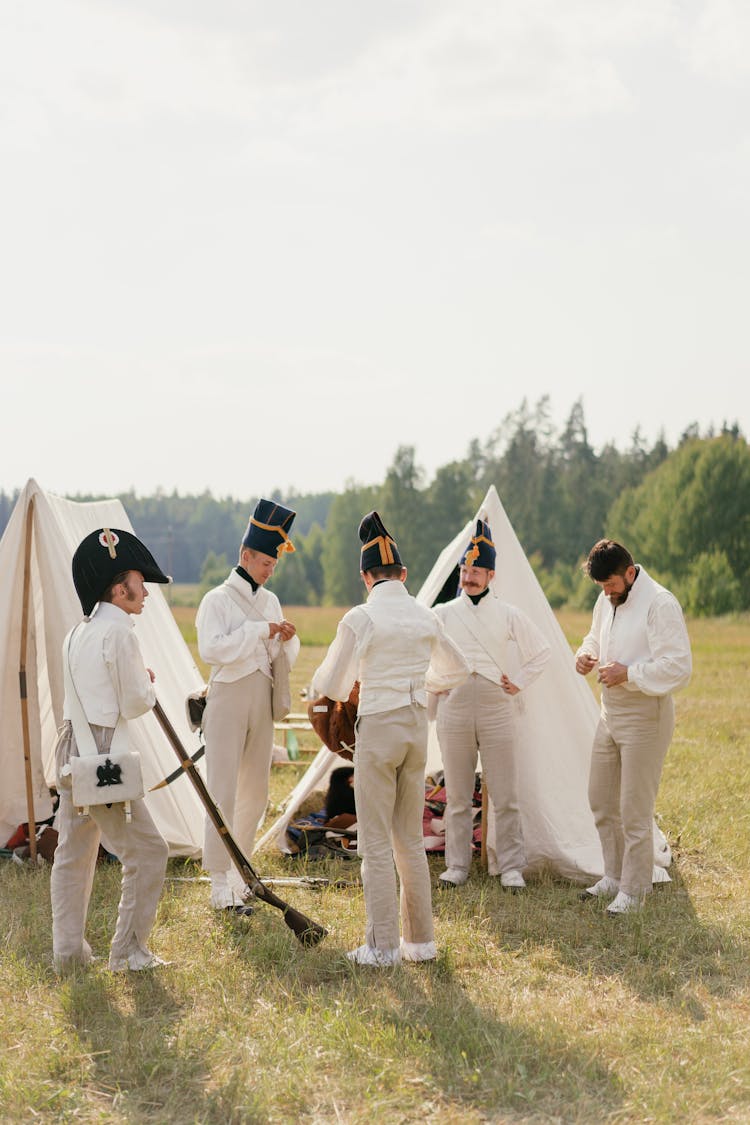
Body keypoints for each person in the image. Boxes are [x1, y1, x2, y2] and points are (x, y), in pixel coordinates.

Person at [311, 511, 469, 966]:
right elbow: (456, 669)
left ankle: (381, 947)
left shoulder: (360, 618)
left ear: (366, 578)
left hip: (377, 729)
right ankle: (420, 943)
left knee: (376, 843)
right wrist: (421, 685)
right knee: (410, 841)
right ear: (403, 574)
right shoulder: (425, 615)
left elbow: (332, 686)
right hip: (416, 728)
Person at [50, 527, 171, 972]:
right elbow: (136, 701)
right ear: (120, 589)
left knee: (73, 853)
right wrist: (146, 682)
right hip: (102, 755)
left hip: (72, 749)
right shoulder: (120, 634)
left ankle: (67, 953)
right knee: (148, 852)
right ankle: (128, 952)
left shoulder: (76, 634)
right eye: (139, 584)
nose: (145, 594)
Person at [432, 519, 551, 889]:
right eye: (465, 571)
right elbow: (426, 660)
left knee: (505, 794)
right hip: (455, 707)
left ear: (490, 575)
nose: (468, 578)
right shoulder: (442, 613)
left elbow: (541, 652)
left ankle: (512, 866)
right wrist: (440, 685)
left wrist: (518, 683)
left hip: (497, 707)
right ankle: (457, 865)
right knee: (456, 795)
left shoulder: (509, 613)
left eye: (475, 572)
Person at [575, 539, 692, 914]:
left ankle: (635, 890)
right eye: (601, 588)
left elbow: (678, 667)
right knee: (600, 799)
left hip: (646, 717)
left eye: (610, 585)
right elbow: (595, 635)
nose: (607, 593)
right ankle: (612, 875)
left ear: (630, 572)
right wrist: (585, 653)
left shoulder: (660, 603)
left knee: (634, 810)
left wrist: (629, 674)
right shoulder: (607, 597)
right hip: (610, 714)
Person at [196, 499, 299, 913]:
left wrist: (282, 639)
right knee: (221, 789)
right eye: (264, 563)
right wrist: (260, 631)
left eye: (273, 565)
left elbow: (278, 655)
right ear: (245, 555)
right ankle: (218, 880)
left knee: (255, 792)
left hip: (261, 696)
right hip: (227, 698)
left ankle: (242, 872)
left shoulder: (271, 601)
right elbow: (212, 650)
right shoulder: (216, 599)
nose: (269, 570)